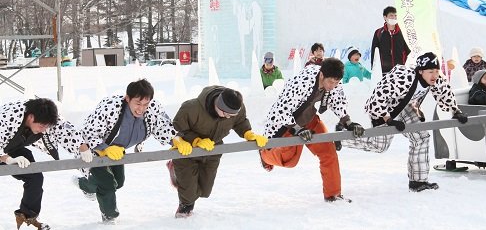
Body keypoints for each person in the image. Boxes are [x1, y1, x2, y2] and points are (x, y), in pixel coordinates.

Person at [342, 52, 468, 192]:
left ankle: (418, 182)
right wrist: (388, 119)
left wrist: (456, 111)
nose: (435, 75)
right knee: (379, 146)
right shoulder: (404, 77)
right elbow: (377, 98)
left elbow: (445, 93)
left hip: (405, 107)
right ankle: (342, 137)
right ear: (420, 71)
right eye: (431, 71)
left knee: (421, 138)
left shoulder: (436, 80)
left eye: (437, 71)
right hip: (385, 110)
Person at [260, 58, 365, 202]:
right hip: (287, 123)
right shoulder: (303, 81)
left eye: (336, 83)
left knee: (329, 151)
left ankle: (333, 194)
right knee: (290, 160)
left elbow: (338, 100)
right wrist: (296, 129)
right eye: (331, 82)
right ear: (321, 75)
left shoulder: (333, 81)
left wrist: (348, 122)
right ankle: (265, 154)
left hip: (309, 118)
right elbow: (281, 109)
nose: (333, 86)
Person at [74, 79, 177, 223]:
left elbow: (162, 126)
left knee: (118, 182)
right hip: (90, 149)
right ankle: (109, 217)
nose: (141, 109)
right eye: (138, 103)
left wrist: (175, 140)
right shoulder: (110, 107)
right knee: (107, 183)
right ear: (127, 98)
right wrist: (105, 149)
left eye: (146, 104)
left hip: (117, 151)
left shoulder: (152, 109)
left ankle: (85, 185)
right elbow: (86, 133)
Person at [169, 86, 268, 218]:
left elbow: (240, 122)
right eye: (225, 113)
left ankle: (185, 183)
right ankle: (185, 205)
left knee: (205, 191)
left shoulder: (236, 108)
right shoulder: (191, 108)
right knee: (189, 194)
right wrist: (196, 140)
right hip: (188, 152)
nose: (228, 117)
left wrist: (248, 133)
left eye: (231, 115)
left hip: (213, 150)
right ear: (217, 103)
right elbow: (175, 129)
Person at [0, 98, 92, 230]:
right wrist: (7, 159)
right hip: (3, 149)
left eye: (46, 127)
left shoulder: (45, 115)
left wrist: (83, 147)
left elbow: (64, 128)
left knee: (35, 177)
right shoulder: (9, 116)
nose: (44, 131)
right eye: (42, 126)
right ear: (30, 117)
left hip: (12, 148)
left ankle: (27, 216)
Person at [370, 6, 411, 74]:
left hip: (400, 71)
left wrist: (403, 65)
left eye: (395, 15)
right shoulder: (379, 32)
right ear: (385, 17)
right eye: (391, 15)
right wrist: (374, 69)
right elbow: (374, 52)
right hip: (384, 71)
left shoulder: (402, 32)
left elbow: (407, 51)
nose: (394, 17)